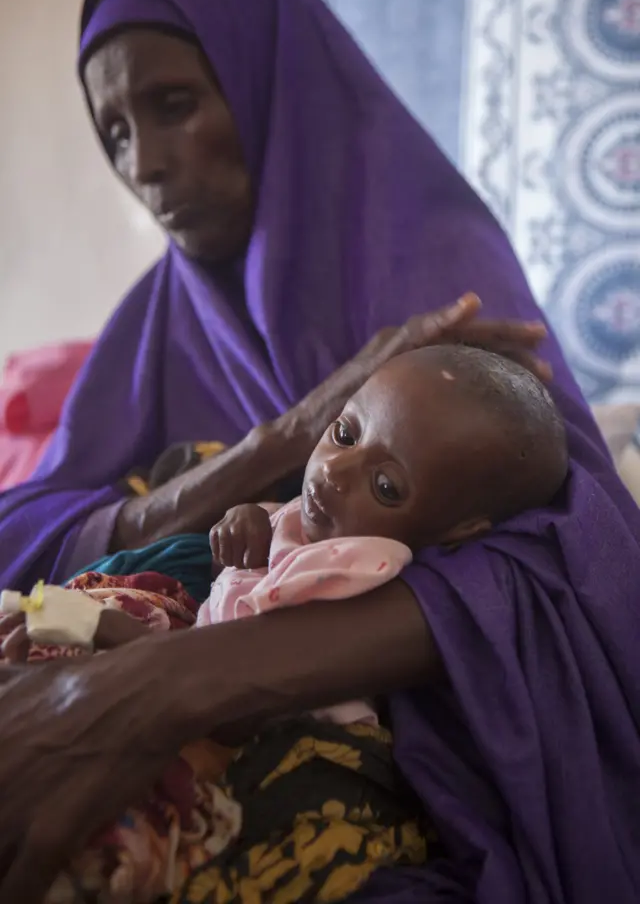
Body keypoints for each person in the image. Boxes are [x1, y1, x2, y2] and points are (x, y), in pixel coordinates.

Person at [0, 0, 638, 903]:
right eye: (117, 132)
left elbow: (575, 565)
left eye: (174, 106)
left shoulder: (432, 274)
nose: (147, 164)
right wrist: (283, 439)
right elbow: (28, 527)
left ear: (273, 90)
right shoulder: (157, 318)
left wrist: (165, 687)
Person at [0, 345, 568, 904]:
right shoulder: (326, 517)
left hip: (267, 730)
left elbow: (227, 690)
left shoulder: (359, 571)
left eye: (387, 486)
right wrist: (246, 527)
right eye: (345, 432)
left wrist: (93, 626)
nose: (335, 472)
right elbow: (243, 583)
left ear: (460, 529)